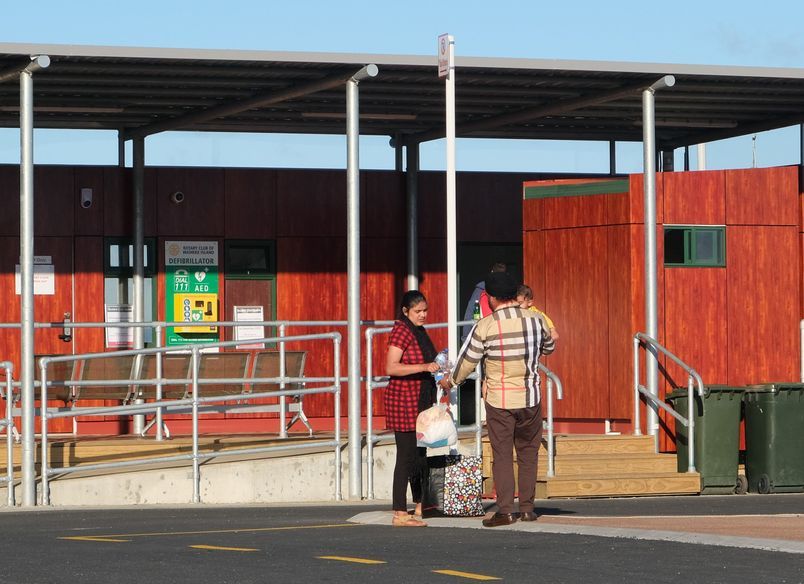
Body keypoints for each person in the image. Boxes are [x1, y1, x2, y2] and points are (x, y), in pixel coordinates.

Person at [440, 271, 555, 527]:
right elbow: (549, 347)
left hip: (500, 399)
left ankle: (505, 510)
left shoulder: (487, 325)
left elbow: (468, 361)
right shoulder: (537, 320)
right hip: (531, 397)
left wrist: (451, 381)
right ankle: (527, 508)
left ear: (491, 298)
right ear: (516, 295)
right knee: (528, 453)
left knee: (502, 455)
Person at [385, 290, 440, 527]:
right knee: (406, 456)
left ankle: (419, 503)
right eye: (418, 311)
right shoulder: (401, 330)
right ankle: (399, 511)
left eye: (425, 310)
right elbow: (391, 367)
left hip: (421, 400)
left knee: (420, 456)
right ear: (406, 312)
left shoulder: (420, 332)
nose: (423, 315)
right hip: (404, 402)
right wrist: (424, 366)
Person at [461, 261, 507, 342]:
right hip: (502, 335)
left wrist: (465, 338)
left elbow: (470, 313)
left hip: (483, 335)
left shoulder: (480, 291)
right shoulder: (509, 292)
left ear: (492, 272)